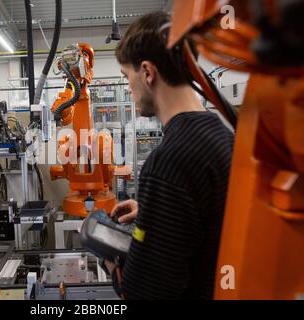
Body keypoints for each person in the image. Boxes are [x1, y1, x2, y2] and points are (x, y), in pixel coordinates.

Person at [105, 11, 235, 300]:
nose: (129, 88)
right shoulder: (223, 134)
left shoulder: (167, 161)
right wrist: (155, 213)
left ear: (148, 73)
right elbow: (208, 222)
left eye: (127, 76)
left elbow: (144, 293)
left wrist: (111, 263)